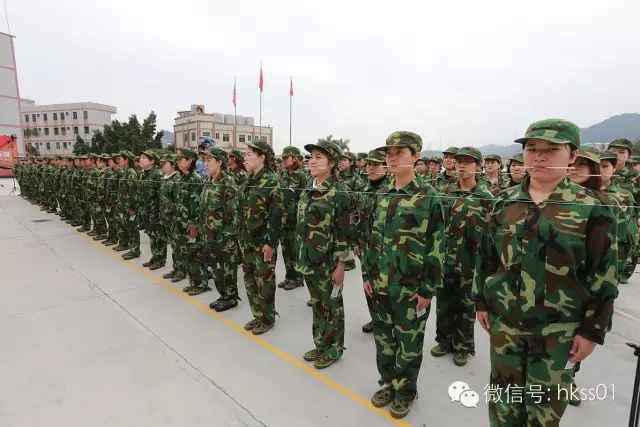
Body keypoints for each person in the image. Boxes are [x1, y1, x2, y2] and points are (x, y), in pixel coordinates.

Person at [473, 119, 619, 427]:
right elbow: (486, 258)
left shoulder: (592, 207)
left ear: (573, 155)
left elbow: (604, 274)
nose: (539, 156)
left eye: (551, 149)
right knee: (504, 403)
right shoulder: (503, 203)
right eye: (532, 149)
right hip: (506, 326)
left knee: (544, 412)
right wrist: (481, 302)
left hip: (558, 332)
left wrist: (592, 331)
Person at [365, 131, 445, 419]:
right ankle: (388, 383)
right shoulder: (381, 195)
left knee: (409, 345)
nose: (393, 157)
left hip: (411, 288)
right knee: (383, 340)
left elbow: (437, 247)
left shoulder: (429, 197)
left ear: (416, 156)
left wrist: (428, 290)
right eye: (389, 153)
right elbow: (370, 239)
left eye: (400, 152)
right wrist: (366, 275)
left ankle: (406, 391)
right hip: (380, 284)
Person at [431, 147, 493, 367]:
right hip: (446, 258)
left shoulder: (486, 197)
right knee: (444, 303)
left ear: (478, 166)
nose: (462, 166)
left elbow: (491, 234)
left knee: (466, 306)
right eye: (459, 162)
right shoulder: (444, 192)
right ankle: (444, 341)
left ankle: (463, 346)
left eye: (468, 162)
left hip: (471, 261)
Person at [295, 140, 350, 369]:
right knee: (318, 305)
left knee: (332, 306)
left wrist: (341, 265)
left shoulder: (339, 191)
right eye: (311, 157)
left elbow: (344, 231)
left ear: (332, 163)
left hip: (328, 262)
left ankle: (334, 348)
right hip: (308, 259)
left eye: (319, 157)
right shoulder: (309, 186)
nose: (312, 161)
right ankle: (320, 344)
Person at [187, 147, 241, 310]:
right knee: (216, 269)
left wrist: (227, 236)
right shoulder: (208, 181)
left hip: (223, 237)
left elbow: (234, 212)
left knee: (227, 269)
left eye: (209, 160)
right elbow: (203, 207)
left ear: (219, 162)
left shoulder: (228, 182)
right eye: (205, 160)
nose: (205, 163)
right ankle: (223, 295)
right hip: (209, 235)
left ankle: (231, 297)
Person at [239, 138, 283, 335]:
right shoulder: (248, 180)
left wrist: (271, 243)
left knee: (264, 282)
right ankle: (257, 314)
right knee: (249, 280)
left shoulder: (272, 181)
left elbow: (277, 215)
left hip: (262, 242)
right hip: (246, 239)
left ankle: (267, 317)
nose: (245, 158)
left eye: (249, 154)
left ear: (262, 157)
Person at [354, 149, 389, 334]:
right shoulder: (364, 189)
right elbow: (356, 216)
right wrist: (355, 241)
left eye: (376, 165)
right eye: (369, 165)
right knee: (368, 283)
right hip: (365, 247)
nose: (371, 168)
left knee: (385, 286)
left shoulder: (392, 190)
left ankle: (387, 321)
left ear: (386, 167)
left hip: (385, 249)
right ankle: (375, 318)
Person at [277, 146, 308, 291]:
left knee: (295, 251)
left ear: (295, 158)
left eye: (286, 158)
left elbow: (305, 198)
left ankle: (297, 278)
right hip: (284, 219)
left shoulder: (302, 175)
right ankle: (289, 276)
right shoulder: (283, 174)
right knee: (286, 251)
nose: (283, 160)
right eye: (282, 158)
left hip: (296, 220)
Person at [174, 148, 204, 288]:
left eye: (181, 159)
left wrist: (193, 225)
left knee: (194, 254)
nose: (178, 162)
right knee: (184, 252)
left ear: (190, 160)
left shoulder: (195, 179)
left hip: (191, 224)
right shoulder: (181, 177)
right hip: (181, 222)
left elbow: (196, 205)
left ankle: (200, 283)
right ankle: (193, 282)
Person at [138, 150, 166, 270]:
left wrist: (160, 213)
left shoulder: (157, 175)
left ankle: (160, 259)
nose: (141, 160)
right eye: (141, 157)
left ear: (152, 161)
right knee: (152, 236)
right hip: (146, 212)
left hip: (155, 213)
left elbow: (162, 196)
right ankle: (155, 257)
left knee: (159, 237)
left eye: (144, 158)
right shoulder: (143, 174)